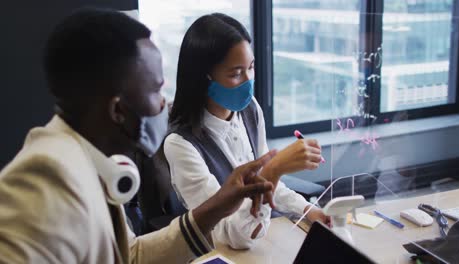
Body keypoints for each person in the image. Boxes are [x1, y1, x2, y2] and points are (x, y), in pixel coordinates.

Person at [0, 8, 277, 263]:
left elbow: (129, 256)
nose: (162, 105)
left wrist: (218, 205)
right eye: (155, 90)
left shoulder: (90, 162)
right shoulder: (47, 174)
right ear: (118, 109)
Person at [163, 13, 330, 249]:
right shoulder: (181, 144)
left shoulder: (250, 110)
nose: (248, 80)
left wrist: (306, 209)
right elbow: (233, 235)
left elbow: (269, 182)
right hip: (223, 251)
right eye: (235, 73)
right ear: (204, 78)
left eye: (250, 67)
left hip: (263, 237)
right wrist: (274, 169)